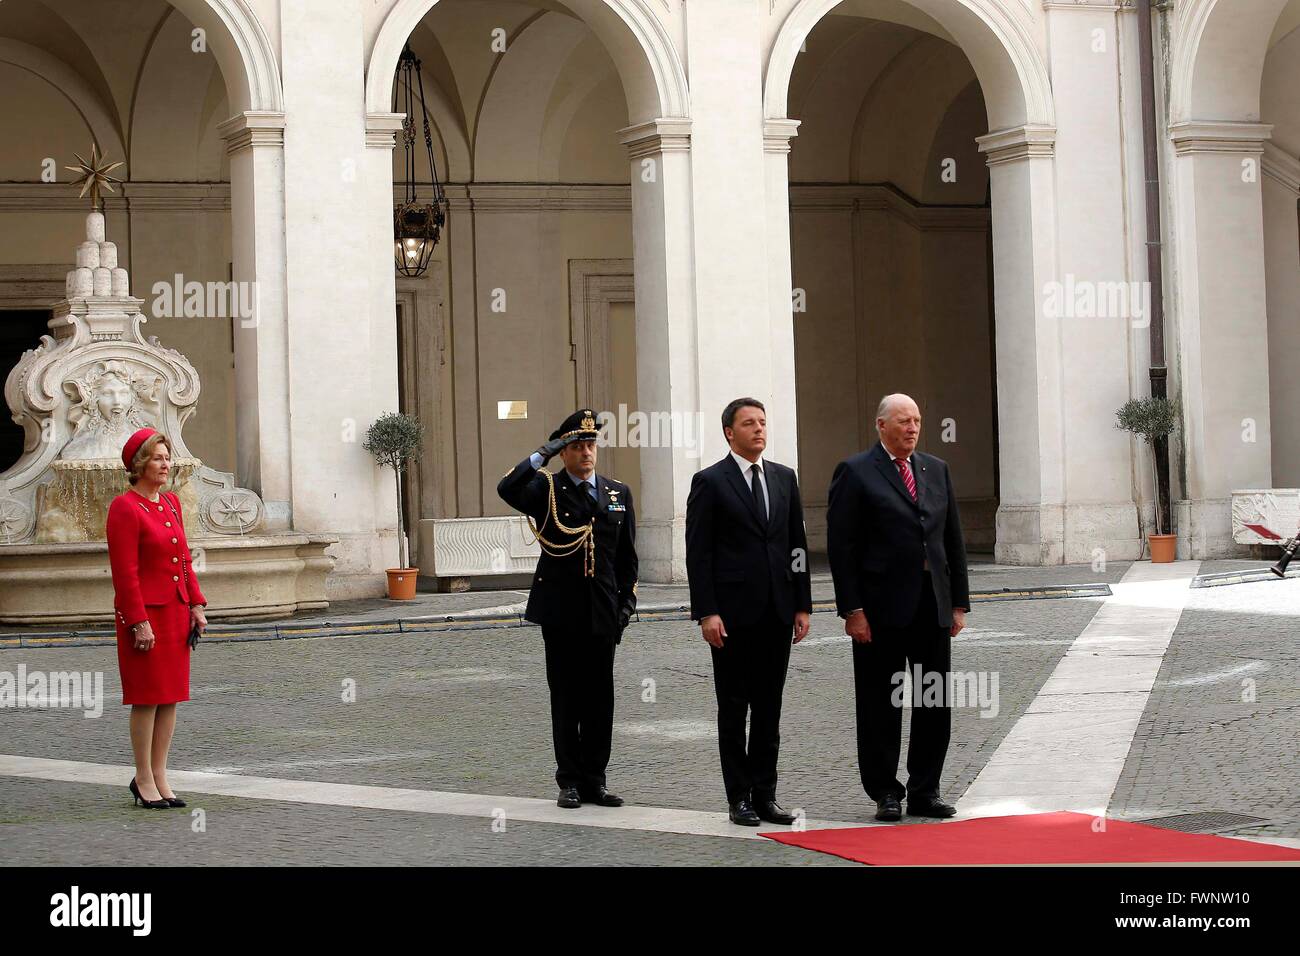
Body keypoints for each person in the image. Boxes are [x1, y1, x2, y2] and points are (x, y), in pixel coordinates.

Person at [826, 393, 969, 822]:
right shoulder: (854, 472)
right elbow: (842, 547)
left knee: (933, 700)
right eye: (904, 421)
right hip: (879, 610)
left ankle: (926, 789)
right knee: (879, 704)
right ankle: (885, 791)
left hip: (931, 605)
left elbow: (952, 541)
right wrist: (852, 609)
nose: (912, 428)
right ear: (881, 425)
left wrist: (958, 603)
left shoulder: (935, 469)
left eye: (917, 421)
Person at [497, 409, 637, 809]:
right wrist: (543, 453)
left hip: (603, 611)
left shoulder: (617, 492)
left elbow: (627, 557)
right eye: (576, 447)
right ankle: (569, 781)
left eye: (590, 445)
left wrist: (626, 605)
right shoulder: (547, 489)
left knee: (600, 698)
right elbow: (506, 488)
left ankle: (596, 779)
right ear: (564, 452)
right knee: (566, 697)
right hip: (561, 611)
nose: (586, 453)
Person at [685, 398, 812, 826]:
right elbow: (698, 554)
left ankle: (766, 795)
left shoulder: (783, 478)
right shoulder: (710, 482)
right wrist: (707, 612)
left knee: (769, 709)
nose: (759, 429)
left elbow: (796, 545)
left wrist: (802, 603)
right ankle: (737, 797)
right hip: (733, 616)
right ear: (729, 432)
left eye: (762, 422)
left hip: (778, 611)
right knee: (734, 707)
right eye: (749, 423)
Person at [106, 428, 207, 809]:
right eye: (158, 458)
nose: (166, 464)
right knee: (147, 699)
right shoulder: (124, 507)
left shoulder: (170, 504)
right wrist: (137, 621)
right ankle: (143, 777)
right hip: (145, 618)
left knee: (171, 699)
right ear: (139, 464)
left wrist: (196, 604)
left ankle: (161, 774)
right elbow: (125, 572)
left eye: (167, 458)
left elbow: (183, 561)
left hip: (176, 612)